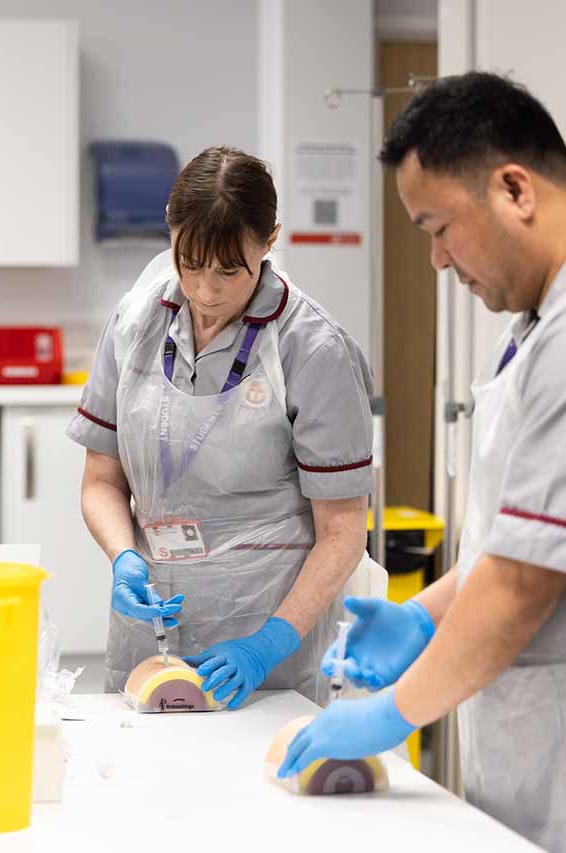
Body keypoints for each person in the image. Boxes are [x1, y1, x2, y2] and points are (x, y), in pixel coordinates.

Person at [278, 72, 566, 853]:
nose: (436, 259)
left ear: (514, 190)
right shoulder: (549, 328)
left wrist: (395, 710)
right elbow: (520, 540)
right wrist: (422, 617)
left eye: (438, 227)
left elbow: (525, 581)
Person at [68, 146, 374, 707]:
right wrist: (123, 557)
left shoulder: (313, 348)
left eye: (229, 270)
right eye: (189, 262)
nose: (205, 290)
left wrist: (268, 644)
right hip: (152, 636)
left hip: (266, 645)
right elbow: (101, 482)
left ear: (269, 240)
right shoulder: (135, 322)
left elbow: (344, 530)